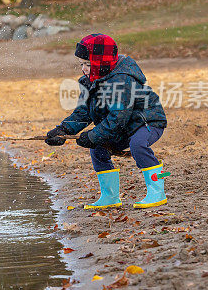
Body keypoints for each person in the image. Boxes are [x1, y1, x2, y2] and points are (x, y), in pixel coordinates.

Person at [45, 34, 168, 209]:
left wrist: (93, 135)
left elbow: (118, 117)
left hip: (146, 122)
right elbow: (83, 111)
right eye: (81, 64)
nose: (84, 69)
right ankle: (110, 197)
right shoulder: (90, 81)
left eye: (88, 64)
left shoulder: (122, 80)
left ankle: (157, 191)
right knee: (97, 147)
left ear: (101, 61)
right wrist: (63, 130)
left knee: (138, 145)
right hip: (123, 126)